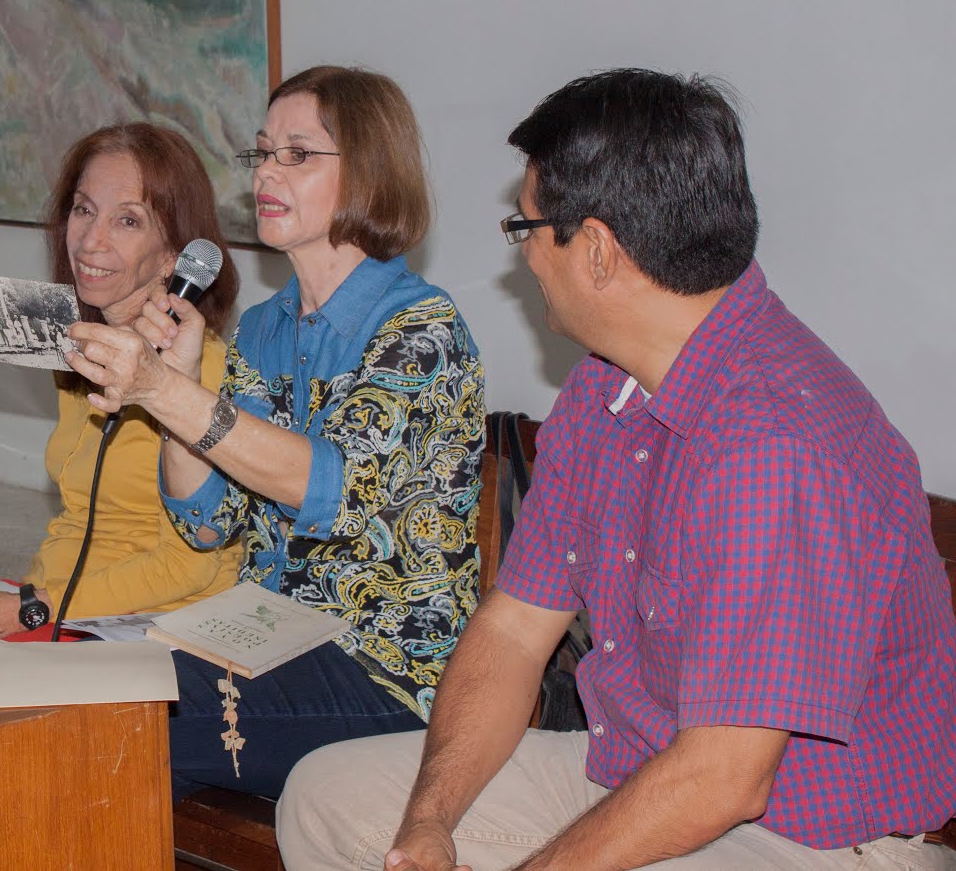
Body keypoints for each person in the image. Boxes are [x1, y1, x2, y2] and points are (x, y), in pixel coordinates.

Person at [277, 69, 956, 871]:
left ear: (596, 249)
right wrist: (429, 822)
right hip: (639, 772)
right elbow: (513, 628)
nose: (524, 252)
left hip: (815, 834)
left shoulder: (778, 441)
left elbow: (726, 777)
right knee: (326, 801)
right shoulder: (605, 383)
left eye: (525, 225)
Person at [66, 66, 485, 798]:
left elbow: (324, 485)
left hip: (385, 675)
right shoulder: (265, 327)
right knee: (78, 696)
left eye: (297, 153)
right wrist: (179, 390)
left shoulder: (421, 330)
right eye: (262, 152)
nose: (267, 171)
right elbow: (208, 521)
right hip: (263, 639)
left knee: (101, 731)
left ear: (368, 173)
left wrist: (164, 391)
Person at [0, 123, 245, 637]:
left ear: (175, 254)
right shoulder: (83, 343)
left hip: (159, 622)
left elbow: (193, 566)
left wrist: (32, 608)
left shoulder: (201, 374)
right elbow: (77, 520)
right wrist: (22, 599)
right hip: (62, 601)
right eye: (83, 210)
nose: (90, 240)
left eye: (127, 220)